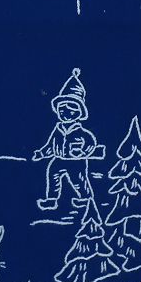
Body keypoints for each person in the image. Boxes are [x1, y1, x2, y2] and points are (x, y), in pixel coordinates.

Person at [32, 67, 105, 211]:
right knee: (53, 175)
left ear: (79, 113)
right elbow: (51, 145)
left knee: (79, 180)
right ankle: (51, 200)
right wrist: (41, 153)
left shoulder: (82, 133)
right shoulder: (58, 130)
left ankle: (85, 199)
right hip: (59, 159)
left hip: (76, 161)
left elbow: (90, 144)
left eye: (71, 109)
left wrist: (83, 152)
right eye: (61, 109)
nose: (65, 113)